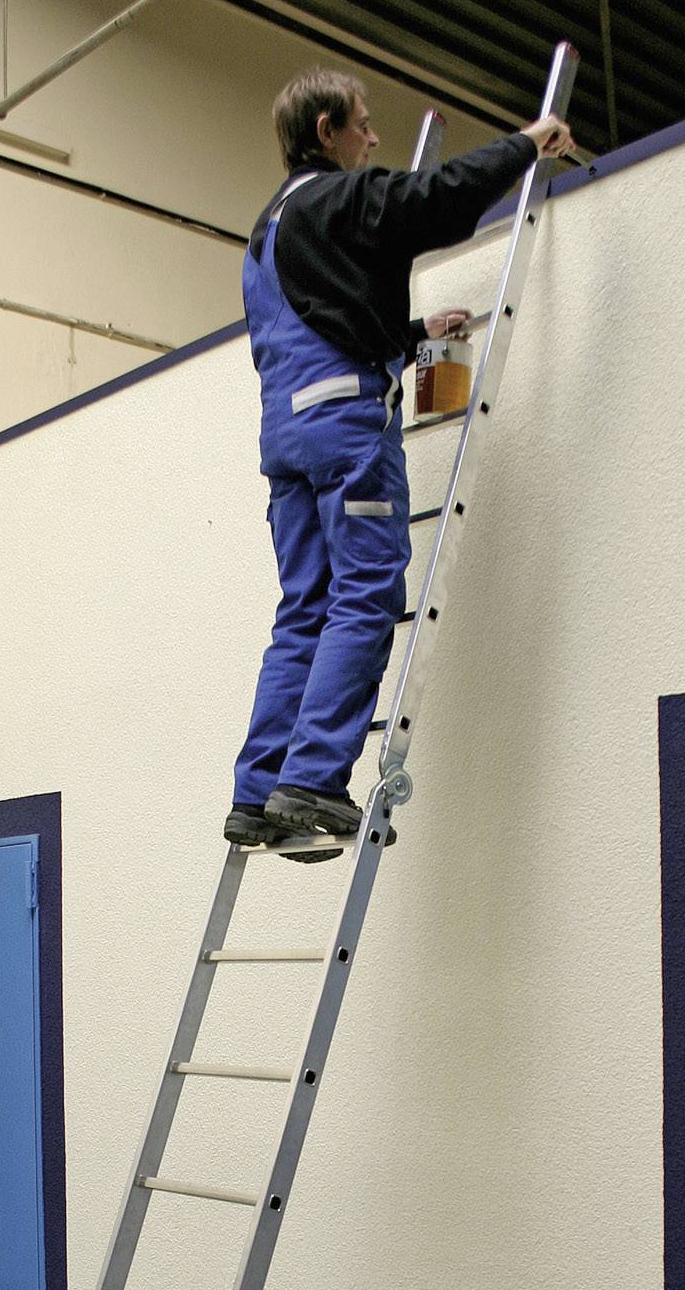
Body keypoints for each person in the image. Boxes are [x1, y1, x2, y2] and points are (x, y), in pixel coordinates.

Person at [226, 71, 574, 855]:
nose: (372, 138)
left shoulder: (268, 231)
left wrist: (415, 335)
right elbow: (437, 199)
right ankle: (312, 781)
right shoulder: (334, 199)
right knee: (366, 592)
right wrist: (527, 142)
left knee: (304, 610)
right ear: (325, 131)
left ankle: (255, 794)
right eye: (362, 124)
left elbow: (326, 319)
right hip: (346, 427)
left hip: (286, 438)